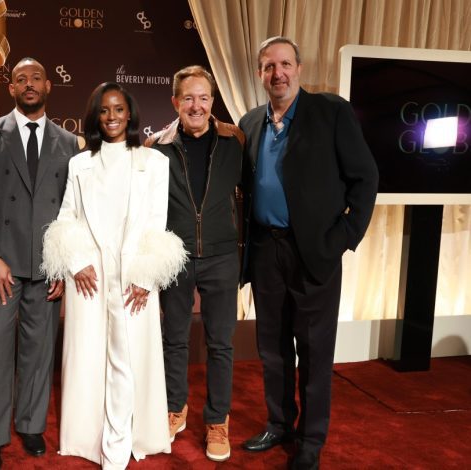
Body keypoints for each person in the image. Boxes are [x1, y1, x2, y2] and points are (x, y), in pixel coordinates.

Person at [238, 37, 378, 470]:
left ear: (299, 67)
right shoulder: (250, 121)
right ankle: (279, 424)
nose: (277, 73)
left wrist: (340, 239)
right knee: (273, 348)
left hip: (314, 253)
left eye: (284, 64)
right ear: (259, 74)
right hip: (265, 250)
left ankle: (311, 439)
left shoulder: (331, 111)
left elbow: (366, 178)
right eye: (267, 66)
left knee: (315, 350)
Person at [42, 82, 186, 469]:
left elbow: (158, 223)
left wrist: (145, 274)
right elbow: (65, 219)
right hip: (90, 277)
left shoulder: (154, 163)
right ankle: (93, 439)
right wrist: (74, 263)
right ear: (95, 116)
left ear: (130, 113)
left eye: (119, 109)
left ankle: (120, 445)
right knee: (89, 359)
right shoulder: (80, 163)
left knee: (127, 358)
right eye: (104, 110)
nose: (111, 117)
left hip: (134, 278)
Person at [0, 57, 80, 470]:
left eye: (35, 78)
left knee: (39, 349)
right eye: (20, 79)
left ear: (48, 85)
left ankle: (31, 425)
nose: (28, 84)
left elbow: (72, 211)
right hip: (2, 266)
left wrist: (63, 266)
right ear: (10, 88)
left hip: (46, 265)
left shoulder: (68, 143)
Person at [145, 65, 244, 462]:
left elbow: (248, 197)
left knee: (221, 344)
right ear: (174, 102)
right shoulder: (157, 146)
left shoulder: (234, 140)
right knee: (175, 339)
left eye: (204, 97)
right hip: (176, 257)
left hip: (222, 256)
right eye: (188, 97)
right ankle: (174, 407)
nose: (196, 105)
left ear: (212, 102)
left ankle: (218, 420)